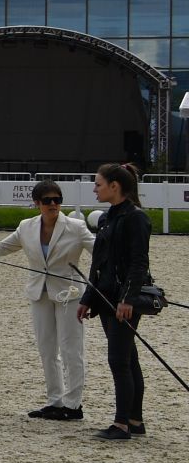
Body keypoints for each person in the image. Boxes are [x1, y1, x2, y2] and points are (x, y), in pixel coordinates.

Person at [0, 180, 89, 421]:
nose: (53, 204)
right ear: (37, 204)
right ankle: (55, 401)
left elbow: (101, 251)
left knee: (70, 350)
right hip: (38, 293)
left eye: (57, 200)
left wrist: (94, 286)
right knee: (46, 349)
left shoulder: (76, 226)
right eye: (47, 201)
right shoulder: (26, 227)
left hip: (70, 295)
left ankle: (73, 405)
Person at [85, 163, 151, 441]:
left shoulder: (136, 218)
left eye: (98, 184)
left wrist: (128, 299)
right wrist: (87, 298)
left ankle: (122, 423)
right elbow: (98, 261)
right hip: (105, 298)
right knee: (128, 358)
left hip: (123, 301)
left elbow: (139, 263)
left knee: (119, 361)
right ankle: (135, 420)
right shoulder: (107, 218)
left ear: (115, 186)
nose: (95, 188)